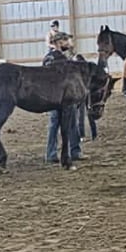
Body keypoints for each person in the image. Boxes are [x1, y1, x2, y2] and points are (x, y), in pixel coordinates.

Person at [43, 32, 83, 163]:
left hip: (59, 95)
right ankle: (72, 151)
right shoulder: (54, 58)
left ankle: (54, 153)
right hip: (60, 96)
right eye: (67, 41)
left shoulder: (54, 57)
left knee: (59, 124)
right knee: (63, 123)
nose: (69, 44)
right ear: (60, 42)